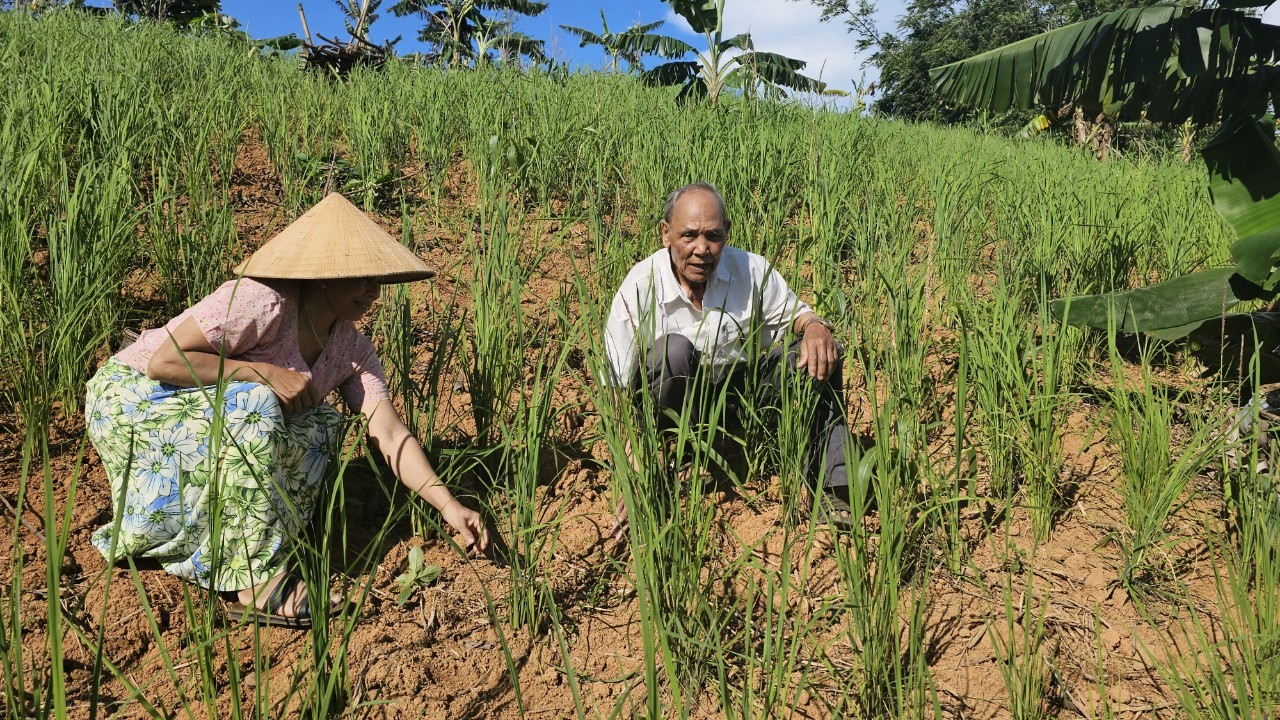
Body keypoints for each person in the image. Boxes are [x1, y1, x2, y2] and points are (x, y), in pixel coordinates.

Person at [85, 192, 489, 628]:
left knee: (320, 424)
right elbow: (164, 362)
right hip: (137, 397)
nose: (373, 290)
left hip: (209, 412)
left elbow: (389, 434)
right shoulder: (262, 301)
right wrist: (259, 372)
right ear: (322, 276)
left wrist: (448, 505)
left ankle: (231, 550)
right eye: (363, 276)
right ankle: (254, 581)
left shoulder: (352, 349)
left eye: (380, 280)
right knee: (257, 404)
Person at [602, 182, 853, 536]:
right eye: (688, 235)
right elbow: (616, 390)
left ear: (727, 233)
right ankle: (677, 459)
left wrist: (814, 327)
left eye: (713, 236)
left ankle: (831, 490)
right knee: (671, 351)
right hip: (674, 406)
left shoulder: (749, 269)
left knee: (817, 352)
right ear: (666, 234)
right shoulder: (640, 285)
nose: (702, 249)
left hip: (740, 399)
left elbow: (797, 314)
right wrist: (634, 470)